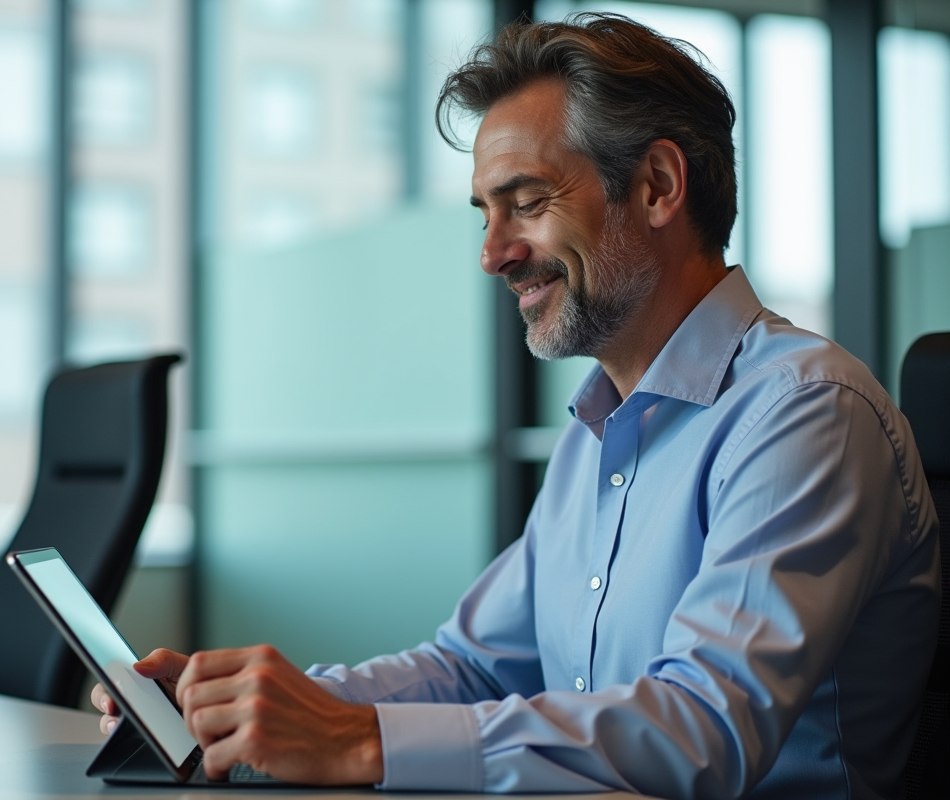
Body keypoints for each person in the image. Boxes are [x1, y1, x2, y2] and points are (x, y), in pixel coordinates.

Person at [93, 14, 940, 799]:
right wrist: (246, 706)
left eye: (526, 203)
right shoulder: (599, 432)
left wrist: (363, 740)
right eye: (485, 214)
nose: (493, 254)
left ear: (654, 185)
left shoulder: (803, 413)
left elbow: (702, 731)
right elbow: (471, 667)